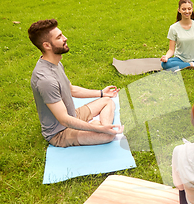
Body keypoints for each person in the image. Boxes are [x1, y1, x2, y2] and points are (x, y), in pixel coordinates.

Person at [28, 19, 124, 147]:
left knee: (107, 101)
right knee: (108, 136)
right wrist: (97, 129)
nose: (65, 38)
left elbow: (71, 90)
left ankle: (106, 126)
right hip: (60, 132)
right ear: (47, 45)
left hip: (73, 115)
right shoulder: (45, 80)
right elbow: (64, 119)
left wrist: (101, 93)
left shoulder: (55, 63)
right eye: (59, 37)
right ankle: (104, 129)